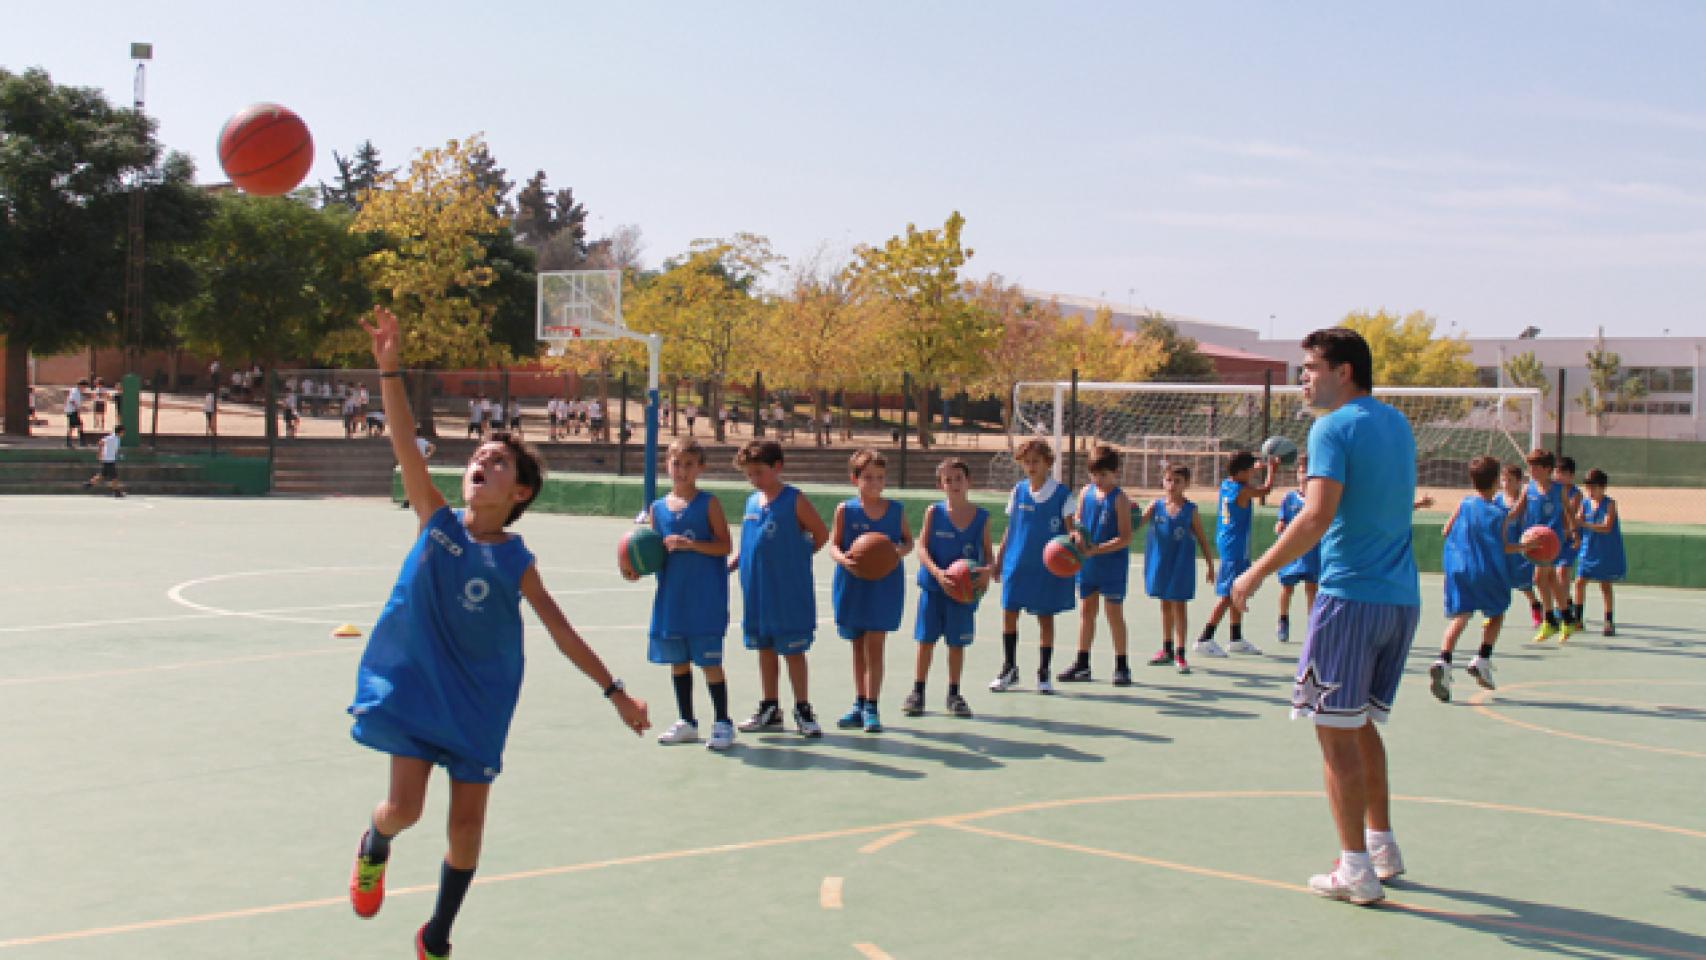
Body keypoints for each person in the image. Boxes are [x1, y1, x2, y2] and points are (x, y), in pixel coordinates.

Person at [345, 306, 649, 960]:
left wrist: (615, 691)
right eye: (479, 457)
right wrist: (389, 370)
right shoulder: (437, 521)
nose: (483, 463)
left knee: (467, 825)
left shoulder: (516, 561)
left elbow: (564, 633)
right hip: (417, 686)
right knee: (405, 811)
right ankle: (375, 844)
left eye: (499, 463)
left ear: (521, 493)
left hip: (481, 699)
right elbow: (402, 440)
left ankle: (438, 934)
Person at [1229, 327, 1421, 906]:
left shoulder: (1330, 428)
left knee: (1333, 733)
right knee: (1359, 723)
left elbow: (1314, 517)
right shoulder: (1396, 423)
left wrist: (1254, 572)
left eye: (1310, 367)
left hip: (1349, 597)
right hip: (1400, 599)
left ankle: (1355, 868)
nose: (1303, 378)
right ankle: (1381, 845)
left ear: (1343, 371)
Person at [628, 437, 737, 750]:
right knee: (678, 661)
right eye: (676, 463)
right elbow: (651, 553)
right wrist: (635, 567)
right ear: (667, 465)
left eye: (689, 464)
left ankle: (722, 721)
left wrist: (691, 545)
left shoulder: (708, 503)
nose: (682, 470)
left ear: (700, 468)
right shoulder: (657, 509)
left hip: (704, 597)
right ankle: (687, 721)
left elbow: (724, 546)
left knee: (709, 662)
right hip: (672, 597)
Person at [730, 439, 829, 737]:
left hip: (788, 591)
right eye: (749, 474)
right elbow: (749, 540)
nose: (753, 479)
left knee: (793, 651)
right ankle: (770, 707)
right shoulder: (751, 502)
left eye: (759, 472)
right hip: (756, 590)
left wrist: (795, 556)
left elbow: (821, 534)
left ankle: (803, 708)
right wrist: (735, 561)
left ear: (777, 467)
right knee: (764, 648)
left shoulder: (794, 499)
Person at [826, 449, 913, 732]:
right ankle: (859, 701)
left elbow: (909, 542)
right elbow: (834, 546)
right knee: (857, 646)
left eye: (880, 477)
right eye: (867, 477)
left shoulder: (896, 510)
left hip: (884, 583)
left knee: (875, 646)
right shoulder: (845, 510)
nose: (875, 482)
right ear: (855, 479)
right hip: (854, 582)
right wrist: (845, 560)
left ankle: (872, 705)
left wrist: (896, 552)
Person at [1428, 456, 1523, 701]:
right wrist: (1526, 545)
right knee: (1497, 613)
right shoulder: (1499, 513)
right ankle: (1482, 657)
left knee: (1460, 618)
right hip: (1487, 571)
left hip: (1459, 569)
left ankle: (1444, 659)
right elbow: (1505, 546)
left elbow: (1446, 530)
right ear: (1496, 482)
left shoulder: (1464, 503)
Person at [989, 439, 1076, 694]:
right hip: (1018, 564)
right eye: (1026, 462)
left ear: (1047, 463)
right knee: (1009, 614)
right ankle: (1009, 668)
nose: (1030, 466)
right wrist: (999, 559)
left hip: (1046, 569)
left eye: (1035, 461)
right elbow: (1010, 527)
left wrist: (1076, 540)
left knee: (1045, 619)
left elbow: (1071, 531)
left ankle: (1043, 672)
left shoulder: (1062, 494)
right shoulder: (1018, 491)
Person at [909, 458, 992, 717]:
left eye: (959, 478)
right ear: (940, 485)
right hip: (935, 589)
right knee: (926, 641)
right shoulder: (934, 513)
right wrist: (936, 572)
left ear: (969, 482)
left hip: (963, 592)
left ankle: (954, 693)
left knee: (957, 644)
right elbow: (921, 548)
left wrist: (988, 571)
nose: (954, 484)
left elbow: (989, 555)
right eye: (948, 480)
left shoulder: (981, 517)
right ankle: (918, 692)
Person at [1059, 444, 1134, 685]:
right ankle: (1082, 664)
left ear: (1115, 473)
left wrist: (1097, 549)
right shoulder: (1085, 493)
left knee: (1113, 613)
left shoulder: (1120, 499)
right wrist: (1076, 536)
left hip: (1111, 565)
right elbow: (1079, 520)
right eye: (1095, 474)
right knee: (1086, 612)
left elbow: (1125, 537)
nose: (1098, 479)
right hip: (1087, 565)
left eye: (1104, 474)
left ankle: (1122, 665)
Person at [1196, 450, 1278, 657]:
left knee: (1237, 593)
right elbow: (1266, 490)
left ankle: (1235, 638)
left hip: (1228, 542)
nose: (1252, 473)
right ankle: (1205, 637)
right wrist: (1272, 469)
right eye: (1250, 470)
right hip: (1234, 547)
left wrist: (1256, 466)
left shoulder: (1227, 483)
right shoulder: (1243, 491)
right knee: (1226, 596)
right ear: (1241, 472)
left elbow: (1243, 475)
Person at [1142, 465, 1215, 674]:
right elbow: (1135, 523)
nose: (1172, 485)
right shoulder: (1155, 506)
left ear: (1186, 484)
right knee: (1165, 604)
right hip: (1160, 564)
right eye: (1168, 480)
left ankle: (1180, 652)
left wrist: (1210, 565)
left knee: (1179, 607)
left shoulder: (1190, 510)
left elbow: (1201, 538)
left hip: (1181, 566)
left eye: (1177, 481)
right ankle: (1167, 648)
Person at [1506, 449, 1580, 642]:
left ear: (1548, 469)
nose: (1532, 470)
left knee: (1539, 579)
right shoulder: (1528, 489)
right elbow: (1517, 511)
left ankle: (1550, 619)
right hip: (1533, 541)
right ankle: (1566, 617)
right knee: (1551, 580)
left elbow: (1570, 511)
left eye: (1536, 467)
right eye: (1530, 466)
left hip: (1551, 541)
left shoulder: (1558, 489)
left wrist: (1574, 531)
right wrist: (1502, 518)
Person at [1274, 457, 1322, 643]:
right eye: (1300, 470)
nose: (1302, 474)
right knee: (1287, 587)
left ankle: (1313, 625)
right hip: (1291, 551)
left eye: (1306, 470)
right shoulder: (1289, 498)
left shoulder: (1317, 499)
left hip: (1311, 550)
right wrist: (1280, 524)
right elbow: (1282, 519)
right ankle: (1283, 620)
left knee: (1311, 588)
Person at [1573, 468, 1625, 636]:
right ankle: (1578, 619)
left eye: (1594, 487)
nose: (1590, 491)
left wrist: (1585, 524)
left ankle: (1609, 621)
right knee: (1580, 582)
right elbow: (1578, 522)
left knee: (1605, 585)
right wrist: (1576, 536)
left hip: (1605, 551)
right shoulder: (1585, 503)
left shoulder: (1610, 504)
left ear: (1603, 488)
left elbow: (1607, 527)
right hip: (1588, 550)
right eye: (1588, 487)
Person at [1494, 464, 1544, 626]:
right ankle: (1493, 614)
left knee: (1525, 586)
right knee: (1499, 583)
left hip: (1520, 549)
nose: (1506, 483)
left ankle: (1536, 607)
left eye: (1510, 480)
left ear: (1519, 482)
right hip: (1503, 548)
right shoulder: (1497, 500)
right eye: (1503, 480)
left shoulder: (1524, 501)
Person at [1553, 456, 1584, 625]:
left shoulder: (1576, 494)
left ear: (1571, 476)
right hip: (1553, 538)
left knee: (1563, 572)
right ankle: (1566, 602)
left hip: (1569, 538)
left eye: (1563, 473)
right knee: (1553, 576)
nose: (1558, 476)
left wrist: (1568, 532)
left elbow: (1569, 515)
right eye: (1557, 472)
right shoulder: (1551, 491)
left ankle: (1560, 609)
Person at [84, 424, 126, 497]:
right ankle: (116, 491)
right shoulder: (110, 437)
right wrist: (100, 453)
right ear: (120, 432)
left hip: (110, 459)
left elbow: (115, 450)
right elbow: (100, 442)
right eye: (123, 432)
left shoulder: (118, 439)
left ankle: (89, 483)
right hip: (109, 459)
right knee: (114, 477)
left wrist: (118, 455)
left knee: (102, 475)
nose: (123, 434)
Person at [64, 379, 88, 448]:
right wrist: (77, 408)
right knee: (73, 427)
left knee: (79, 425)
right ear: (81, 386)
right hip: (72, 411)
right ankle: (70, 442)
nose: (85, 389)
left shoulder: (77, 392)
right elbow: (72, 400)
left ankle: (81, 441)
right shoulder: (75, 391)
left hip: (74, 411)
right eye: (84, 387)